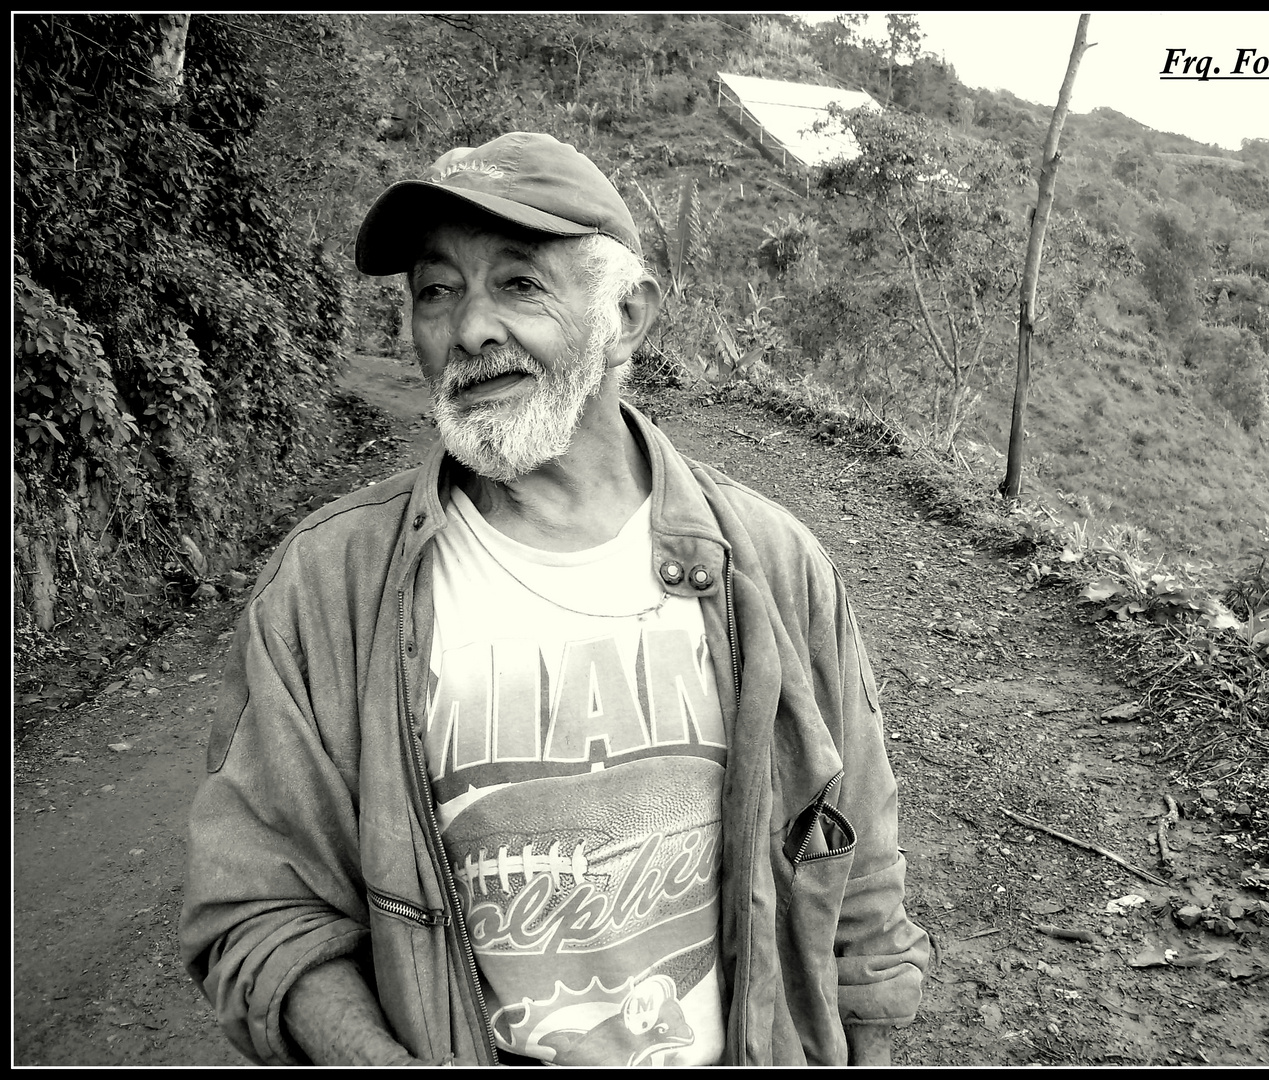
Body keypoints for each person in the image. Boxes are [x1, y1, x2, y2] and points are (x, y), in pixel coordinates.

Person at [179, 131, 929, 1067]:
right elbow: (261, 907)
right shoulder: (327, 587)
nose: (469, 328)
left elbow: (856, 865)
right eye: (436, 289)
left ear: (626, 316)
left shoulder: (769, 562)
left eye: (519, 284)